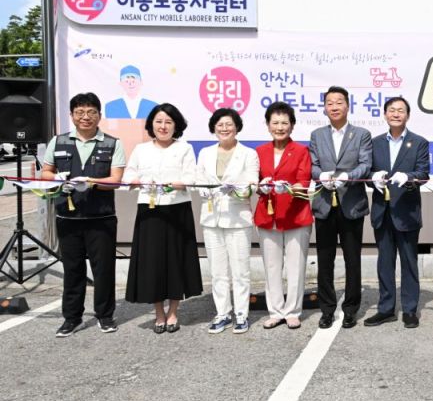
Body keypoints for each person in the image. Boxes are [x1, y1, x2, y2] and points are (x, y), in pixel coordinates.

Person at [40, 92, 126, 337]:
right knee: (72, 270)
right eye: (79, 112)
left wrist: (91, 182)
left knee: (104, 270)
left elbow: (116, 180)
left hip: (101, 219)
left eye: (91, 112)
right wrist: (57, 179)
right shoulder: (58, 142)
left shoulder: (112, 143)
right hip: (67, 218)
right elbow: (45, 173)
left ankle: (105, 316)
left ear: (99, 115)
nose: (85, 117)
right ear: (72, 115)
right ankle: (72, 318)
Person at [123, 103, 203, 333]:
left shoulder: (184, 148)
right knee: (152, 262)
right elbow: (129, 175)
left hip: (177, 209)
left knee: (176, 260)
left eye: (168, 122)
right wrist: (136, 181)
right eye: (159, 121)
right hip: (149, 210)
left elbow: (191, 177)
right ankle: (159, 312)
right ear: (151, 124)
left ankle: (174, 311)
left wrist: (173, 184)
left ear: (176, 125)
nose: (163, 126)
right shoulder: (141, 149)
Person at [308, 86, 372, 330]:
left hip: (351, 204)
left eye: (339, 102)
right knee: (325, 260)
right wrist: (320, 175)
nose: (334, 107)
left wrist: (348, 176)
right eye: (330, 103)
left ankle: (351, 309)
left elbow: (366, 164)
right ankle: (327, 309)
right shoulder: (317, 135)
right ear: (324, 108)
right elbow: (312, 165)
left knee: (352, 260)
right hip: (324, 204)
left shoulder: (361, 134)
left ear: (348, 106)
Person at [364, 96, 431, 328]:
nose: (396, 114)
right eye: (391, 110)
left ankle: (410, 309)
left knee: (409, 262)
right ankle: (386, 309)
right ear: (385, 114)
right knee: (385, 263)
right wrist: (373, 178)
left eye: (400, 110)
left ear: (407, 116)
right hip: (382, 212)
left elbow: (423, 173)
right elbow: (367, 173)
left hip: (407, 212)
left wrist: (409, 177)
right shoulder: (375, 143)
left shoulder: (419, 142)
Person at [196, 108, 260, 334]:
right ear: (214, 128)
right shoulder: (205, 153)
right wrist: (204, 190)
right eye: (220, 125)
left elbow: (252, 184)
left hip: (237, 218)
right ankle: (222, 313)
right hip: (211, 218)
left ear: (237, 127)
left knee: (240, 270)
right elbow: (199, 179)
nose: (224, 129)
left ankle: (241, 314)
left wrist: (236, 190)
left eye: (229, 124)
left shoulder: (248, 154)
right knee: (217, 270)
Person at [254, 102, 314, 330]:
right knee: (271, 266)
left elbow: (304, 181)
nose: (280, 127)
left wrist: (289, 187)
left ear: (292, 125)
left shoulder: (301, 151)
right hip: (268, 215)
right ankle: (276, 311)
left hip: (296, 215)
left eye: (284, 123)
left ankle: (293, 311)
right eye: (275, 123)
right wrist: (261, 186)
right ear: (268, 125)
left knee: (296, 266)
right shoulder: (260, 152)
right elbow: (254, 183)